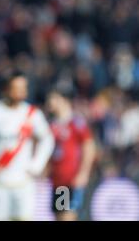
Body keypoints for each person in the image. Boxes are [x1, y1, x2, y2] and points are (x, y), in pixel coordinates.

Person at [0, 71, 54, 221]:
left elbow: (47, 139)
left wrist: (36, 165)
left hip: (24, 183)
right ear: (5, 89)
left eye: (23, 88)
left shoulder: (32, 114)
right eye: (16, 88)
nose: (20, 92)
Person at [46, 88, 96, 221]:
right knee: (59, 216)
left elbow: (89, 147)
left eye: (53, 98)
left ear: (63, 100)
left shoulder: (76, 122)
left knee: (68, 216)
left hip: (71, 180)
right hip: (58, 181)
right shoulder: (53, 124)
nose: (49, 102)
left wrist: (83, 173)